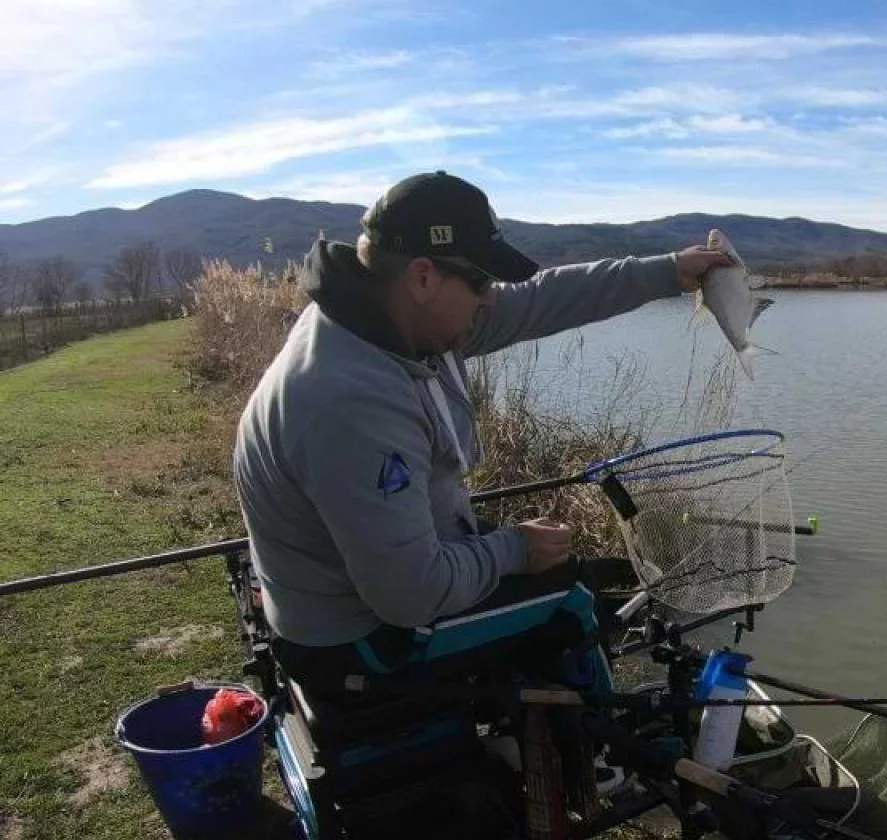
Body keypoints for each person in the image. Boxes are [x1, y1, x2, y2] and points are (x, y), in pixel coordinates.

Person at [232, 171, 733, 690]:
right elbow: (411, 595)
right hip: (355, 643)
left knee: (559, 579)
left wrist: (669, 272)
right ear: (424, 278)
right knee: (573, 601)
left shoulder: (388, 318)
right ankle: (589, 764)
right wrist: (514, 550)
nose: (490, 300)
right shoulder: (350, 397)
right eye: (482, 283)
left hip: (373, 590)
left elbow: (545, 299)